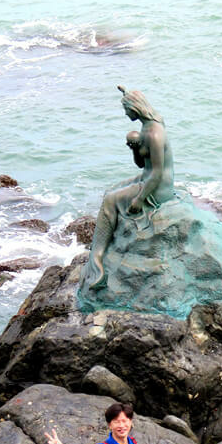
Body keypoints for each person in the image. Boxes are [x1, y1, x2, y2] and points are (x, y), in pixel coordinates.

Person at [84, 86, 175, 291]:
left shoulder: (154, 134)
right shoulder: (149, 124)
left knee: (110, 201)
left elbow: (157, 173)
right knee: (111, 191)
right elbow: (143, 166)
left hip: (158, 187)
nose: (125, 113)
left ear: (135, 109)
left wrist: (140, 199)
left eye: (126, 109)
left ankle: (97, 258)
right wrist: (134, 150)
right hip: (148, 177)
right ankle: (101, 247)